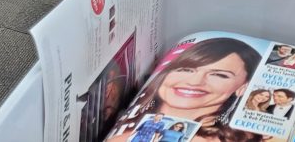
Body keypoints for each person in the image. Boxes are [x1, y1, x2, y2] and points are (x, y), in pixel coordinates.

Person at [107, 37, 263, 142]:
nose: (194, 82)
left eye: (219, 75)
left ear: (243, 87)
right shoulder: (124, 130)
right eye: (187, 70)